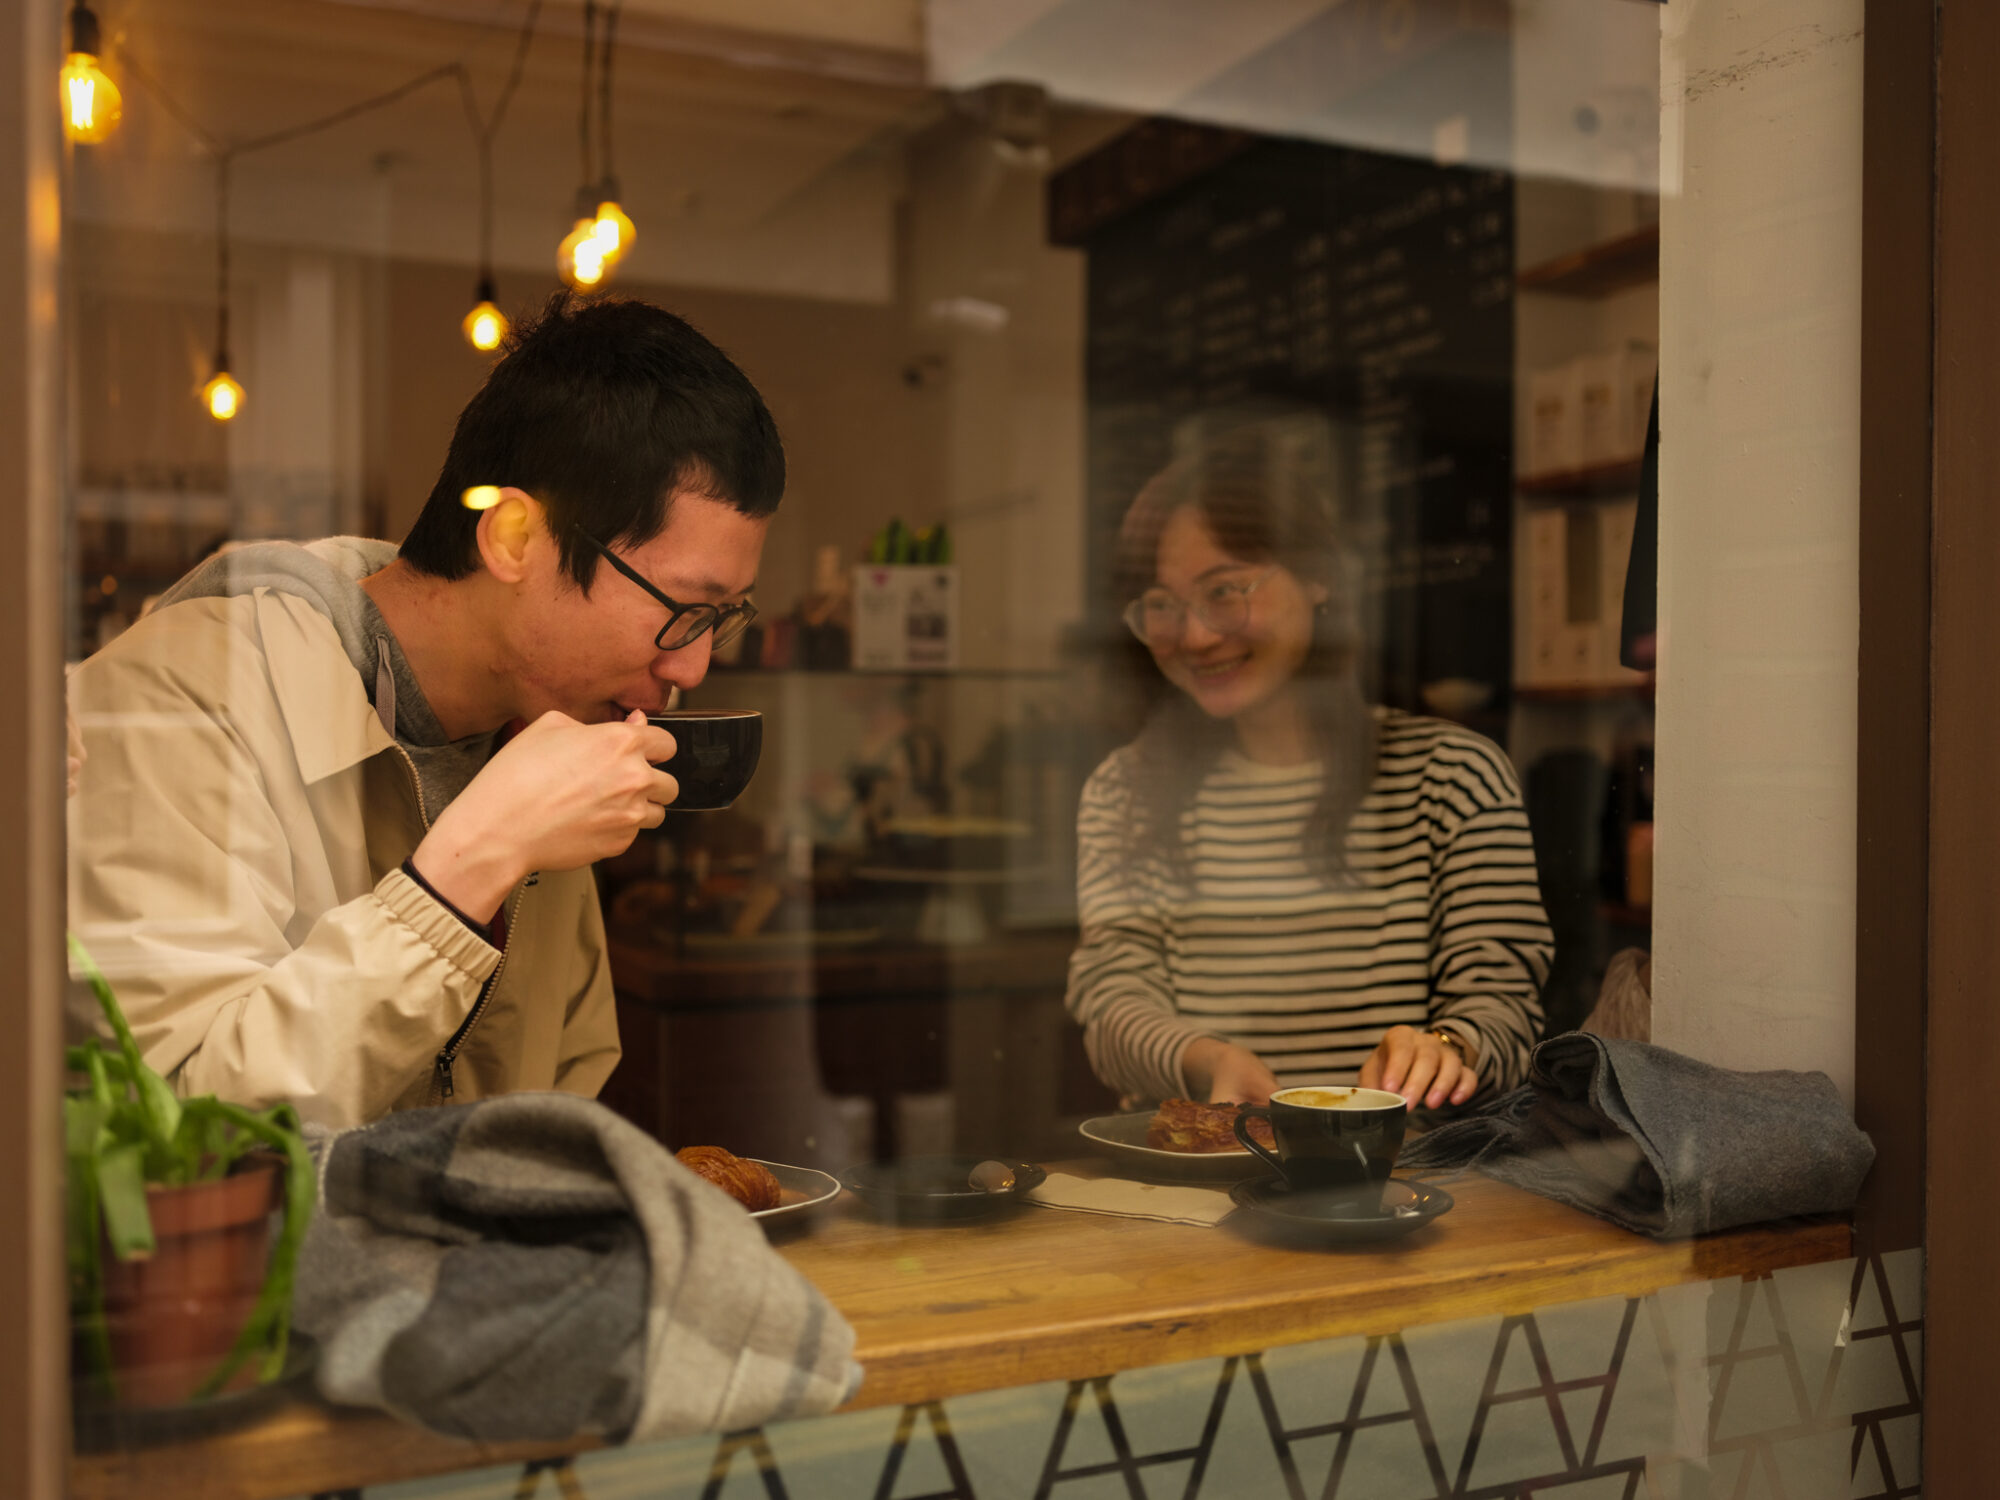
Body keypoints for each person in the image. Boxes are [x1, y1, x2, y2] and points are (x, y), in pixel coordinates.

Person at [67, 296, 779, 1127]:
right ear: (515, 537)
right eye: (684, 609)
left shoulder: (549, 724)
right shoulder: (181, 695)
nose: (690, 666)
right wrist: (471, 864)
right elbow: (174, 1130)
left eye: (723, 620)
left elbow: (564, 1088)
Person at [1066, 430, 1552, 1112]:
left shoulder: (1452, 775)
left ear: (1318, 577)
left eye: (1225, 591)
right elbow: (1113, 1000)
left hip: (1407, 1184)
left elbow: (1503, 1001)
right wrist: (1205, 1060)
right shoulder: (1129, 790)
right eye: (1162, 606)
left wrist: (1445, 1046)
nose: (1196, 635)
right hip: (1201, 1179)